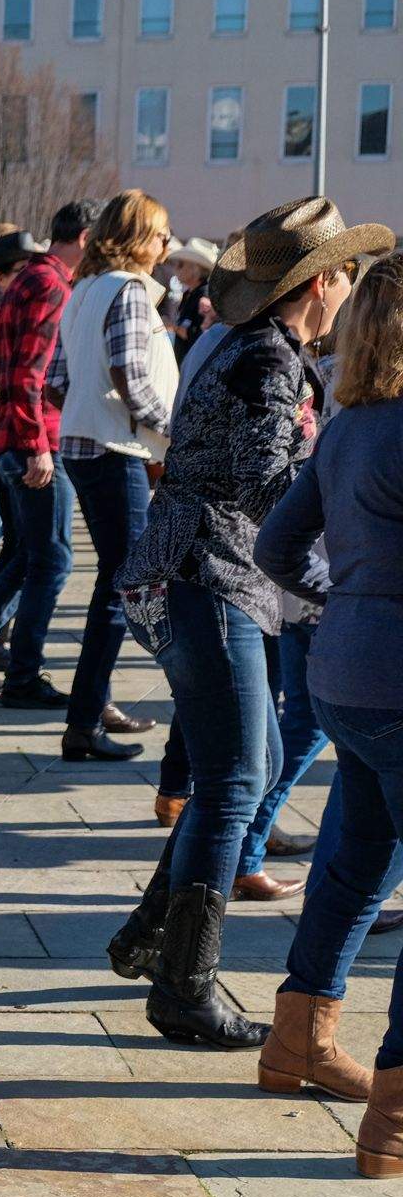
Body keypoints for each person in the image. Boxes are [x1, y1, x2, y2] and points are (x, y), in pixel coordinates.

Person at [108, 196, 391, 1049]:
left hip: (202, 572)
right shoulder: (267, 363)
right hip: (208, 575)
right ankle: (183, 987)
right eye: (345, 276)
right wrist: (350, 520)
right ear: (323, 281)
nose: (350, 292)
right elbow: (272, 492)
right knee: (238, 776)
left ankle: (151, 936)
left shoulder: (253, 348)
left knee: (248, 762)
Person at [252, 251, 403, 1171]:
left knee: (355, 859)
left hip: (347, 676)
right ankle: (390, 1125)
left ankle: (295, 1041)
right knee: (356, 860)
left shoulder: (350, 425)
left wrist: (347, 594)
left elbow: (277, 543)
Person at [0, 200, 102, 709]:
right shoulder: (50, 284)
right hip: (34, 442)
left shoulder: (33, 279)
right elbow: (23, 372)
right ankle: (22, 674)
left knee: (30, 554)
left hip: (18, 437)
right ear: (85, 236)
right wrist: (36, 442)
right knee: (52, 561)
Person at [47, 191, 181, 764]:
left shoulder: (84, 290)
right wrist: (174, 431)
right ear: (133, 238)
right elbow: (130, 376)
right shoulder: (125, 290)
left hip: (90, 443)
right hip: (112, 447)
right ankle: (83, 721)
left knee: (117, 581)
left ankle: (90, 707)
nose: (166, 246)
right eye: (159, 235)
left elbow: (56, 378)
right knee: (123, 584)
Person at [166, 238, 218, 363]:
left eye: (181, 264)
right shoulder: (190, 293)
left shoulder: (204, 295)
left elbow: (198, 334)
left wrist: (172, 327)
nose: (176, 268)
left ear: (195, 269)